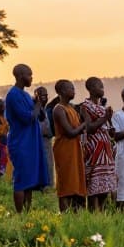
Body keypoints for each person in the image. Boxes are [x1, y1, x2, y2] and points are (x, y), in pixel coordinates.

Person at [5, 64, 50, 212]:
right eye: (29, 75)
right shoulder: (13, 95)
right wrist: (37, 104)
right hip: (20, 142)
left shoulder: (26, 95)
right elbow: (27, 118)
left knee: (30, 180)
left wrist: (41, 104)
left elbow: (40, 116)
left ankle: (27, 213)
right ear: (20, 76)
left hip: (31, 142)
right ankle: (19, 215)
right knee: (21, 179)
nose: (32, 78)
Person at [80, 77, 116, 211]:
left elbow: (104, 126)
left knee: (104, 185)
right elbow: (89, 128)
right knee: (94, 185)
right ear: (91, 89)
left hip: (105, 150)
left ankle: (101, 213)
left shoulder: (101, 107)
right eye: (99, 86)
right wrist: (105, 118)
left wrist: (110, 128)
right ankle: (93, 213)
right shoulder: (85, 106)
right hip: (94, 149)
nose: (102, 89)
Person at [52, 80, 88, 212]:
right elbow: (70, 132)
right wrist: (85, 122)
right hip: (64, 150)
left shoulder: (72, 108)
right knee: (66, 184)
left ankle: (77, 214)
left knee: (76, 182)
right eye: (70, 88)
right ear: (61, 91)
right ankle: (65, 215)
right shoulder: (59, 109)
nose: (74, 90)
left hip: (75, 150)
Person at [35, 85, 55, 185]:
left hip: (47, 143)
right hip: (38, 144)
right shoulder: (35, 109)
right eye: (41, 95)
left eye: (46, 95)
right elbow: (40, 129)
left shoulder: (45, 110)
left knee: (49, 166)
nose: (45, 98)